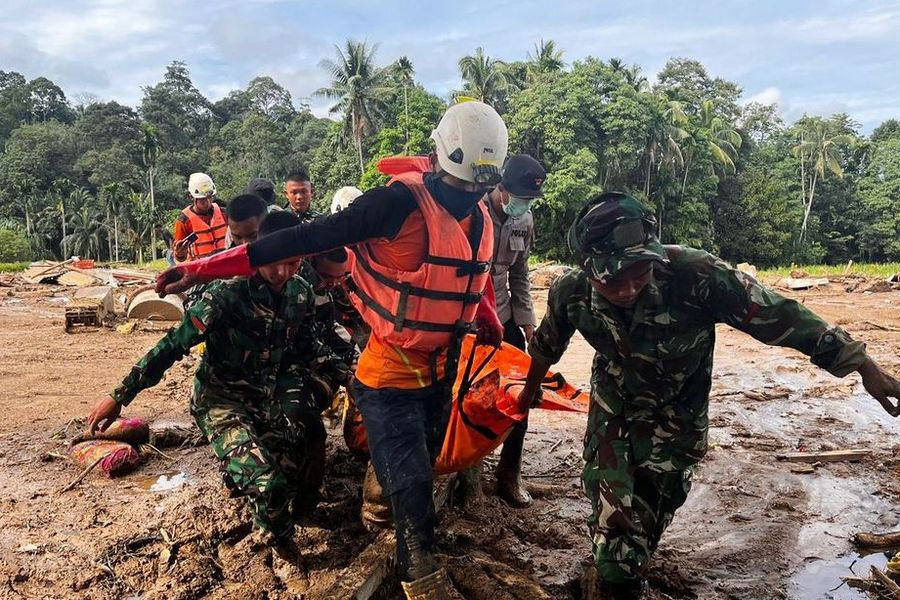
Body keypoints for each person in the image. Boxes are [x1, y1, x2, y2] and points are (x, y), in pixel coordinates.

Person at [155, 100, 509, 599]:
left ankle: (395, 531)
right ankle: (420, 576)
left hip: (439, 369)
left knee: (421, 465)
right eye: (463, 185)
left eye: (479, 187)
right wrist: (205, 267)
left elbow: (473, 271)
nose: (469, 195)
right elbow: (301, 237)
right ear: (439, 162)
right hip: (388, 372)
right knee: (409, 482)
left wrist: (488, 317)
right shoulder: (391, 206)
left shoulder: (478, 215)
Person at [515, 192, 900, 599]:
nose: (628, 288)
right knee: (615, 535)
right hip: (613, 414)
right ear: (587, 270)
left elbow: (782, 316)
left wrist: (862, 365)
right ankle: (615, 574)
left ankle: (621, 566)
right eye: (613, 280)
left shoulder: (696, 275)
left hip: (676, 421)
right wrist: (527, 393)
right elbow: (546, 345)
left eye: (640, 272)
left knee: (643, 522)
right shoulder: (570, 291)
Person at [87, 211, 353, 591]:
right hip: (221, 401)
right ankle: (281, 546)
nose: (283, 272)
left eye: (293, 263)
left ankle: (250, 492)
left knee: (293, 461)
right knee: (269, 486)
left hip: (267, 397)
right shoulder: (226, 295)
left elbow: (309, 345)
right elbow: (171, 347)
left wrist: (350, 377)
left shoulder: (300, 294)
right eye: (276, 263)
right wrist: (119, 395)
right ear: (258, 254)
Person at [483, 153, 545, 507]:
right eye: (519, 197)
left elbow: (520, 275)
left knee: (521, 394)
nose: (522, 205)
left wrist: (528, 323)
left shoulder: (524, 221)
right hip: (470, 320)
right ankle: (463, 471)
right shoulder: (472, 214)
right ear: (501, 189)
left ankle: (509, 473)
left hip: (504, 317)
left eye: (529, 201)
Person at [183, 193, 268, 311]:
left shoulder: (287, 262)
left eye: (253, 236)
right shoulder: (222, 277)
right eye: (237, 237)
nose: (244, 244)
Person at [173, 172, 227, 262]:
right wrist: (180, 254)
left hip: (226, 265)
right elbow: (179, 257)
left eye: (210, 197)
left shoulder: (224, 213)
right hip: (202, 270)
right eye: (203, 199)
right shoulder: (183, 221)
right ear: (191, 197)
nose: (208, 202)